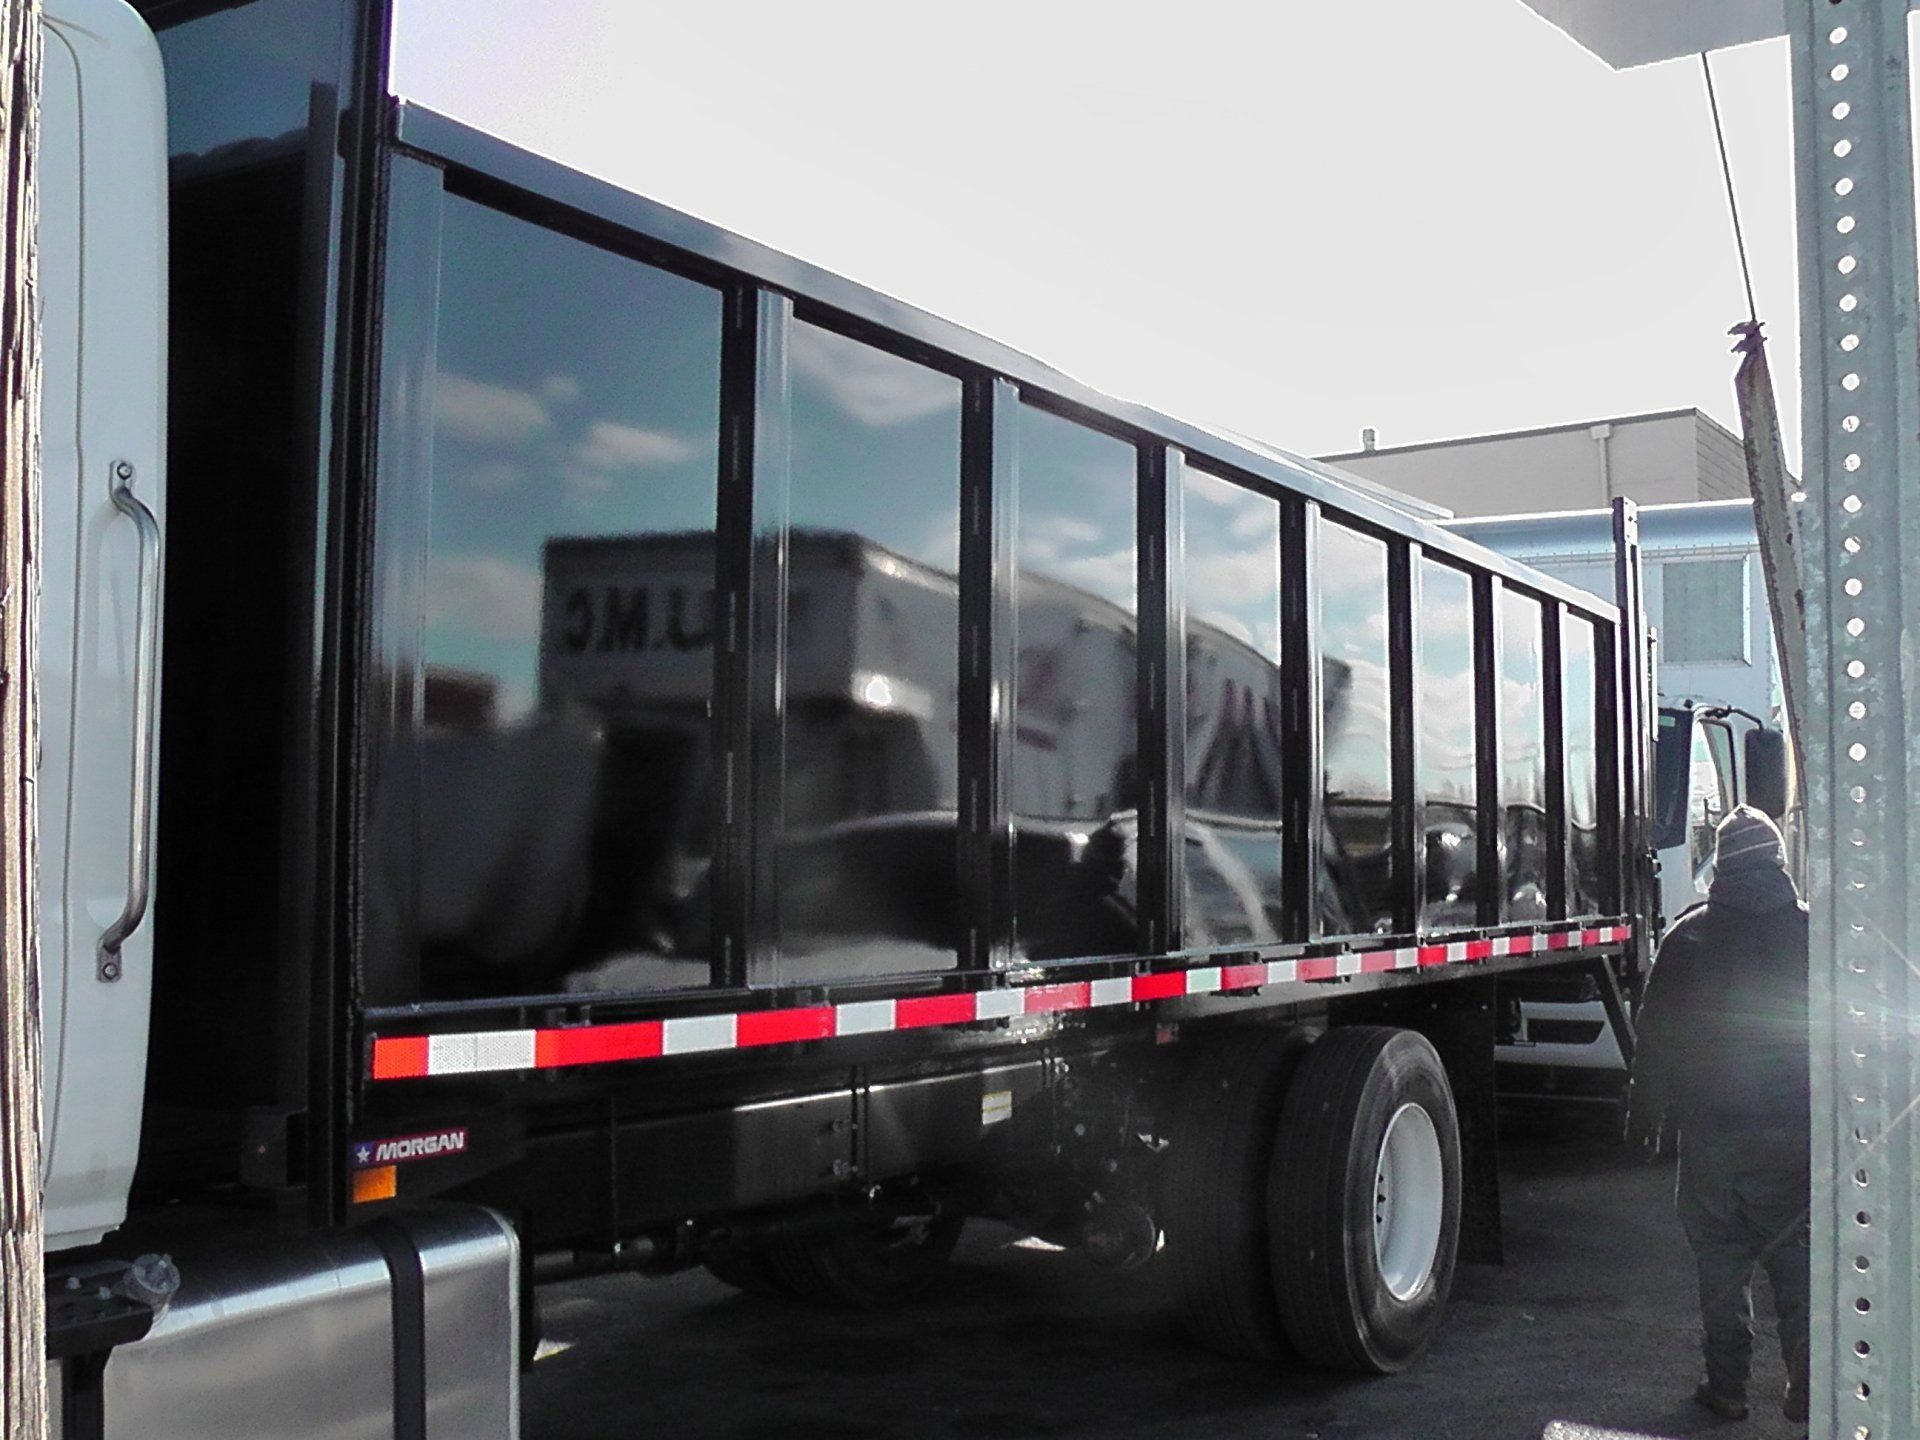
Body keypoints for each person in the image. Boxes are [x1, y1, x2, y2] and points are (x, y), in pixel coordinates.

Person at [1627, 805, 1810, 1426]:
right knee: (1797, 1259)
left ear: (1721, 870)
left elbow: (1655, 1038)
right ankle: (1808, 1378)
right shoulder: (1816, 934)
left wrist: (1645, 1120)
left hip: (1710, 1137)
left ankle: (1727, 1386)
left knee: (1721, 1263)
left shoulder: (1688, 937)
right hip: (1793, 1134)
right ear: (1778, 863)